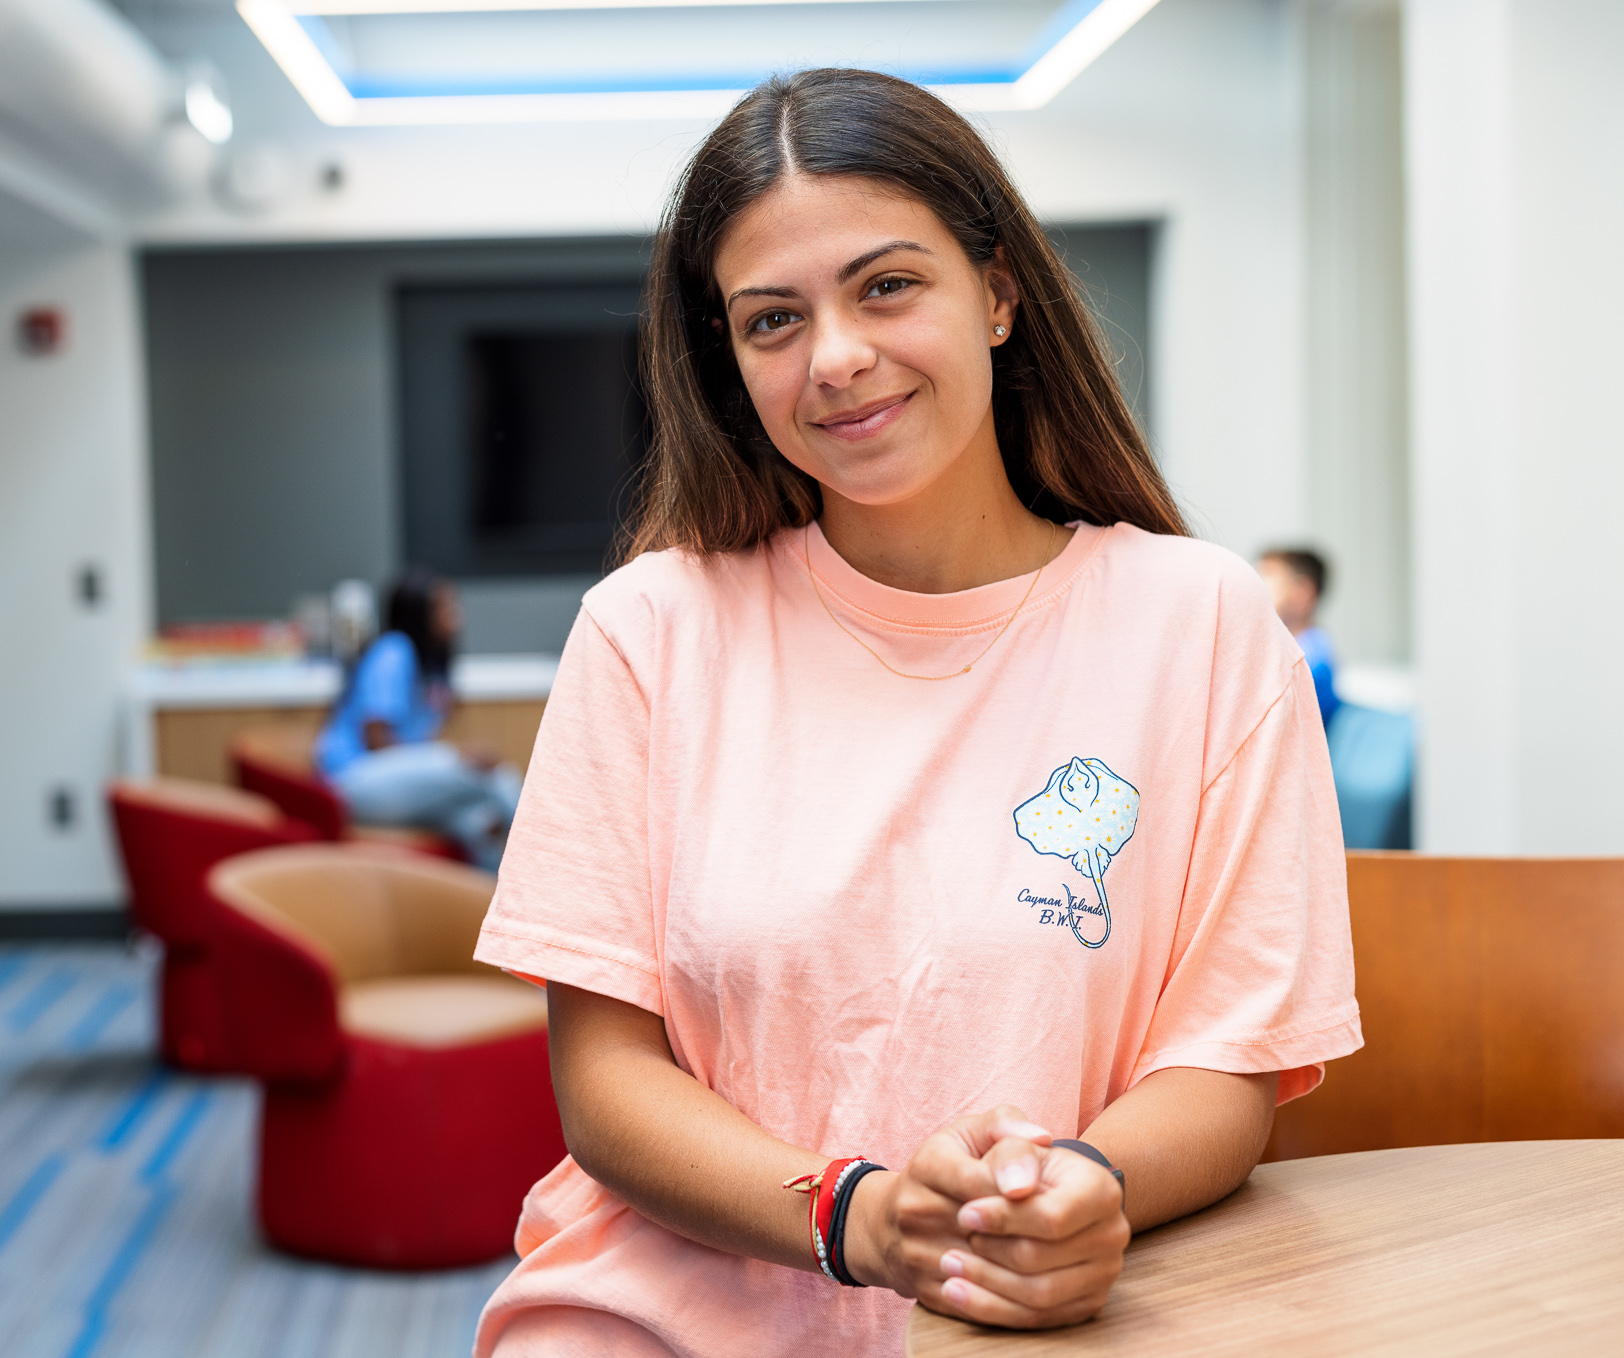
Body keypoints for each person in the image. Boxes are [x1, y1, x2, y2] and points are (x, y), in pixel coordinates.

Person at [469, 69, 1359, 1355]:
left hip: (1039, 1307)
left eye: (886, 286)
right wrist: (858, 1217)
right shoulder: (647, 629)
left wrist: (1081, 1192)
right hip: (671, 1312)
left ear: (996, 294)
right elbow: (603, 1084)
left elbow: (1228, 1062)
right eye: (771, 319)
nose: (833, 357)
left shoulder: (1203, 625)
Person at [312, 571, 521, 870]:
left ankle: (492, 910)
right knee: (493, 776)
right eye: (446, 608)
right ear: (420, 613)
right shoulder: (394, 650)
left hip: (388, 783)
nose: (456, 616)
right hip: (350, 782)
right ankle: (554, 856)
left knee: (479, 824)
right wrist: (451, 758)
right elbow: (376, 741)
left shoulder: (432, 666)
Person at [1259, 548, 1339, 726]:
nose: (1254, 593)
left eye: (1265, 582)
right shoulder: (1293, 650)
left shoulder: (1311, 661)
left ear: (1302, 594)